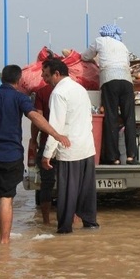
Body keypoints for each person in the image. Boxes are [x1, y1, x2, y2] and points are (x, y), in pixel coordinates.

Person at [0, 65, 70, 244]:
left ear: (1, 79)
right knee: (6, 200)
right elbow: (35, 117)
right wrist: (56, 134)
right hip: (10, 158)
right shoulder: (20, 98)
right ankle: (4, 242)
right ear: (19, 80)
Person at [40, 58, 99, 234]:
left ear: (57, 74)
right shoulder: (80, 89)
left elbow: (55, 126)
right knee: (86, 191)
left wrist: (47, 154)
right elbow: (89, 118)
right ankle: (90, 224)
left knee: (67, 193)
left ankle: (65, 229)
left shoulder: (59, 93)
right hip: (87, 147)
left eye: (47, 75)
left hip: (69, 149)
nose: (45, 79)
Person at [81, 23, 138, 165]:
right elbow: (127, 63)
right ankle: (131, 156)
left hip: (109, 80)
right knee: (129, 118)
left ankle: (114, 157)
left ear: (103, 33)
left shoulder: (99, 41)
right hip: (126, 81)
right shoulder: (122, 45)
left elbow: (86, 56)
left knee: (111, 118)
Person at [28, 71, 55, 225]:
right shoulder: (76, 90)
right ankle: (71, 219)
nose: (43, 78)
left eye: (45, 75)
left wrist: (33, 139)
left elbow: (37, 118)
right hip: (68, 144)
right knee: (69, 182)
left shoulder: (42, 92)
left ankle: (46, 222)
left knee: (46, 183)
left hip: (47, 142)